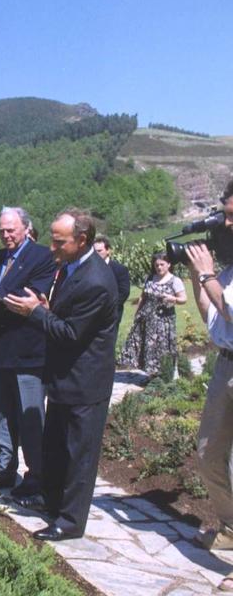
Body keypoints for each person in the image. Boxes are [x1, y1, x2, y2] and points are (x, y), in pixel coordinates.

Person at [3, 209, 118, 541]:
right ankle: (52, 502)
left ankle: (70, 521)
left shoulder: (96, 280)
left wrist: (36, 313)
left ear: (81, 240)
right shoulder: (71, 267)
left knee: (79, 454)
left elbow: (71, 333)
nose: (52, 247)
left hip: (85, 381)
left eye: (59, 241)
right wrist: (46, 309)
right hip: (64, 377)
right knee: (55, 447)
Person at [0, 206, 57, 496]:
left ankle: (36, 476)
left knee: (29, 419)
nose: (6, 235)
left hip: (26, 353)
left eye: (11, 230)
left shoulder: (41, 257)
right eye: (1, 231)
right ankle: (3, 468)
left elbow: (28, 300)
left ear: (26, 228)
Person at [186, 180, 233, 593]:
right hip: (226, 366)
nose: (225, 223)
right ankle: (231, 526)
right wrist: (197, 276)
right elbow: (213, 318)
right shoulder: (230, 266)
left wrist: (208, 275)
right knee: (208, 453)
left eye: (232, 216)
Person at [119, 252, 186, 376]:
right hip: (146, 319)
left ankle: (164, 374)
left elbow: (183, 299)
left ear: (169, 264)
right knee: (147, 346)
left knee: (162, 347)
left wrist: (173, 299)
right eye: (156, 265)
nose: (159, 267)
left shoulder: (175, 280)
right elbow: (142, 298)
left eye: (162, 264)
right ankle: (151, 374)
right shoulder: (150, 278)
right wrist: (137, 314)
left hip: (163, 320)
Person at [93, 235, 131, 325]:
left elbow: (124, 292)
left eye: (99, 251)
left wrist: (109, 308)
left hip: (112, 314)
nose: (96, 254)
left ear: (108, 251)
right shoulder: (88, 269)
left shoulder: (119, 269)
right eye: (94, 251)